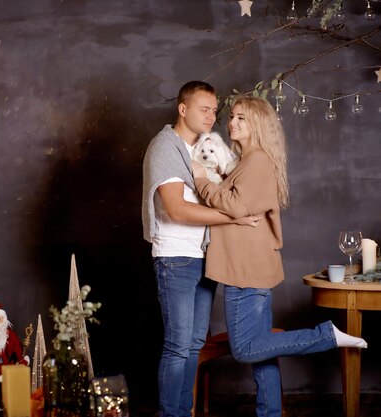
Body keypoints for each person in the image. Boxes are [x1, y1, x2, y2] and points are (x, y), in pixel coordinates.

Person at [191, 95, 367, 417]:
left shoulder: (256, 161)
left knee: (245, 349)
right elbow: (236, 207)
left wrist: (201, 180)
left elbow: (235, 206)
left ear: (258, 124)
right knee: (260, 350)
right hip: (248, 266)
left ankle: (326, 335)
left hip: (245, 270)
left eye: (241, 118)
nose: (232, 123)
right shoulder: (245, 161)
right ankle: (270, 412)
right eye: (232, 117)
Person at [141, 80, 261, 417]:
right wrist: (232, 218)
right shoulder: (167, 147)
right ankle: (171, 413)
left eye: (214, 110)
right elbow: (177, 209)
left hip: (205, 256)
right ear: (183, 109)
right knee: (178, 347)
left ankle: (183, 410)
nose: (211, 116)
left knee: (194, 344)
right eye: (203, 109)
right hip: (176, 257)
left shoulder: (204, 148)